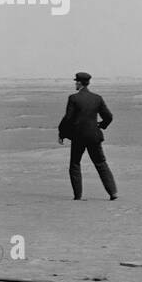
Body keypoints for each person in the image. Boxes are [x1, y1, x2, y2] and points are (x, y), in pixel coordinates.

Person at [59, 72, 117, 200]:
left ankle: (78, 196)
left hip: (78, 136)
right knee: (101, 163)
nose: (75, 83)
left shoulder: (73, 98)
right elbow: (109, 116)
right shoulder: (97, 98)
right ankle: (113, 193)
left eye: (76, 82)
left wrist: (62, 133)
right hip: (94, 136)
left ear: (79, 83)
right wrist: (101, 125)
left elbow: (68, 118)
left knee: (75, 164)